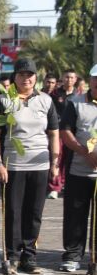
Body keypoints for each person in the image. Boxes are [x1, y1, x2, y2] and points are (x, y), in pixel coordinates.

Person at [0, 59, 59, 274]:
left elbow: (54, 133)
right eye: (21, 74)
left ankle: (29, 256)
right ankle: (12, 255)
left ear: (36, 77)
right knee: (13, 211)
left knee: (34, 212)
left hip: (40, 164)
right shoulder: (4, 102)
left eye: (30, 75)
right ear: (14, 78)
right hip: (13, 165)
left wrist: (54, 163)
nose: (26, 78)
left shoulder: (46, 101)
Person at [59, 64, 97, 272]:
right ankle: (72, 255)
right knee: (75, 214)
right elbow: (65, 132)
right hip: (79, 169)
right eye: (95, 78)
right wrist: (86, 152)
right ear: (90, 80)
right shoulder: (75, 103)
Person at [49, 69, 79, 199]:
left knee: (71, 159)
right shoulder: (55, 94)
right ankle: (54, 187)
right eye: (67, 77)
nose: (69, 80)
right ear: (62, 78)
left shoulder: (79, 95)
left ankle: (67, 184)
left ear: (75, 79)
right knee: (57, 158)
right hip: (58, 133)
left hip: (74, 134)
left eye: (72, 78)